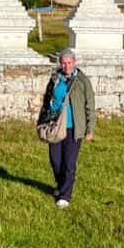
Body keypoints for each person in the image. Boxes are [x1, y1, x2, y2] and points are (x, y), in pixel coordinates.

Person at [39, 48, 95, 208]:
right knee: (55, 160)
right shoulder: (55, 78)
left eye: (69, 63)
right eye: (63, 63)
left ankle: (65, 195)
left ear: (74, 63)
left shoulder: (83, 81)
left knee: (69, 163)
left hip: (74, 127)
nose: (66, 66)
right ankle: (61, 184)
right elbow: (46, 100)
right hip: (55, 126)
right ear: (60, 64)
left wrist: (90, 129)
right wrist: (42, 120)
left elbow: (90, 105)